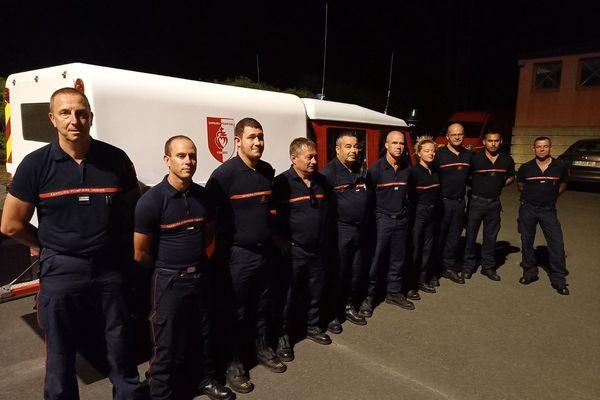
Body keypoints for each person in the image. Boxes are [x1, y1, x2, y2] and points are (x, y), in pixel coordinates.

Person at [0, 88, 144, 400]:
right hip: (62, 270)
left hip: (109, 269)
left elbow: (131, 213)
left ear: (90, 117)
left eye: (81, 113)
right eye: (65, 113)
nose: (74, 119)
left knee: (120, 343)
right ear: (52, 119)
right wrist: (46, 245)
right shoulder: (35, 165)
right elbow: (10, 224)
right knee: (61, 353)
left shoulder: (115, 159)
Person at [133, 136, 234, 400]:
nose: (188, 161)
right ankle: (161, 394)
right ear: (167, 160)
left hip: (199, 276)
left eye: (192, 156)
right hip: (168, 281)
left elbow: (209, 237)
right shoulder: (152, 201)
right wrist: (165, 270)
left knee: (203, 333)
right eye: (181, 156)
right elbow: (140, 252)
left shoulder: (204, 198)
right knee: (165, 344)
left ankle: (205, 380)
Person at [206, 117, 286, 394]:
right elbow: (210, 221)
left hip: (265, 255)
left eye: (261, 137)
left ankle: (262, 349)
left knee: (262, 306)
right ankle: (233, 362)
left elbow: (267, 211)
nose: (258, 143)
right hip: (236, 257)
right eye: (252, 137)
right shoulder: (223, 176)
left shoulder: (266, 171)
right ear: (238, 140)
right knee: (235, 313)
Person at [272, 138, 332, 362]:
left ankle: (312, 325)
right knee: (287, 296)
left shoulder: (321, 181)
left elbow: (327, 212)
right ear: (293, 158)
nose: (315, 161)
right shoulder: (281, 184)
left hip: (318, 250)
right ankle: (282, 337)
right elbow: (269, 216)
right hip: (294, 251)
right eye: (309, 157)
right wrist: (279, 240)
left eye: (315, 156)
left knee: (315, 291)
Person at [359, 130, 413, 316]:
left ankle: (394, 292)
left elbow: (410, 195)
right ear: (387, 145)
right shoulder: (375, 170)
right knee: (375, 261)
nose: (399, 147)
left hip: (401, 220)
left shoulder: (407, 169)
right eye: (395, 143)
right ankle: (368, 297)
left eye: (402, 144)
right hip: (381, 221)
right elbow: (368, 199)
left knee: (398, 259)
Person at [321, 131, 369, 334]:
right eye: (348, 146)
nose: (353, 150)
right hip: (340, 231)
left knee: (355, 271)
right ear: (337, 149)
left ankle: (348, 305)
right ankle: (331, 313)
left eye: (356, 146)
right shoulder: (328, 173)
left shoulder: (360, 169)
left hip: (360, 230)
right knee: (337, 273)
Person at [516, 137, 570, 295]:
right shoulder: (526, 167)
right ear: (534, 149)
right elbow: (520, 185)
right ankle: (529, 273)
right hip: (528, 208)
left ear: (550, 148)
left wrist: (552, 197)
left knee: (556, 243)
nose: (542, 149)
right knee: (527, 241)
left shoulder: (559, 166)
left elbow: (563, 184)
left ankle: (559, 279)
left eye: (545, 146)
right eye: (539, 146)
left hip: (548, 210)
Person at [462, 132, 515, 281]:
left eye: (496, 141)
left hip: (494, 203)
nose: (493, 144)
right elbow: (466, 176)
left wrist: (498, 185)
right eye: (490, 141)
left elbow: (511, 176)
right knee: (471, 236)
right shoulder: (475, 158)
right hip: (476, 202)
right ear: (484, 142)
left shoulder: (506, 160)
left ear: (501, 141)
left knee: (490, 237)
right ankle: (468, 266)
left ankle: (488, 267)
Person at [433, 123, 472, 285]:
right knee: (437, 238)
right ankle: (433, 270)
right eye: (453, 134)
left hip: (458, 203)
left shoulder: (469, 155)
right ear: (447, 136)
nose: (457, 137)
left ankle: (448, 267)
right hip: (442, 203)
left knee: (454, 238)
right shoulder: (438, 155)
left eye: (460, 134)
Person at [407, 137, 440, 297]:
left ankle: (422, 280)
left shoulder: (434, 170)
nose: (430, 153)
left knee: (427, 248)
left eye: (433, 150)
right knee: (415, 249)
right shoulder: (413, 172)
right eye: (426, 151)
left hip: (431, 214)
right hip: (418, 214)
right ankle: (410, 284)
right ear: (418, 153)